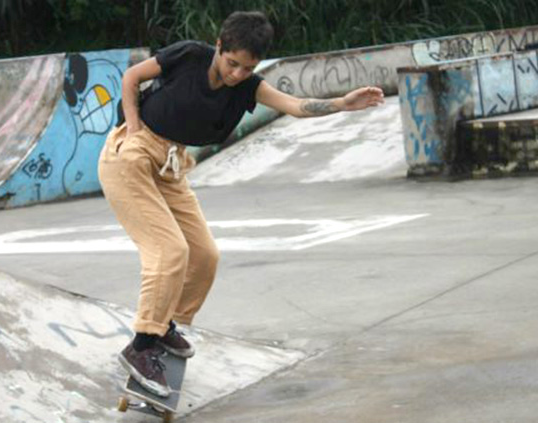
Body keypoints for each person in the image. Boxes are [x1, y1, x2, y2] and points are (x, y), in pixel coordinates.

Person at [98, 11, 384, 397]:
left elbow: (296, 105)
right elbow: (132, 77)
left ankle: (165, 325)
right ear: (219, 47)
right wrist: (131, 127)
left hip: (170, 164)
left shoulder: (248, 86)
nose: (235, 75)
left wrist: (342, 104)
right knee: (169, 251)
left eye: (246, 69)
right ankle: (142, 345)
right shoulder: (189, 55)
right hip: (130, 155)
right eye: (231, 63)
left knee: (204, 256)